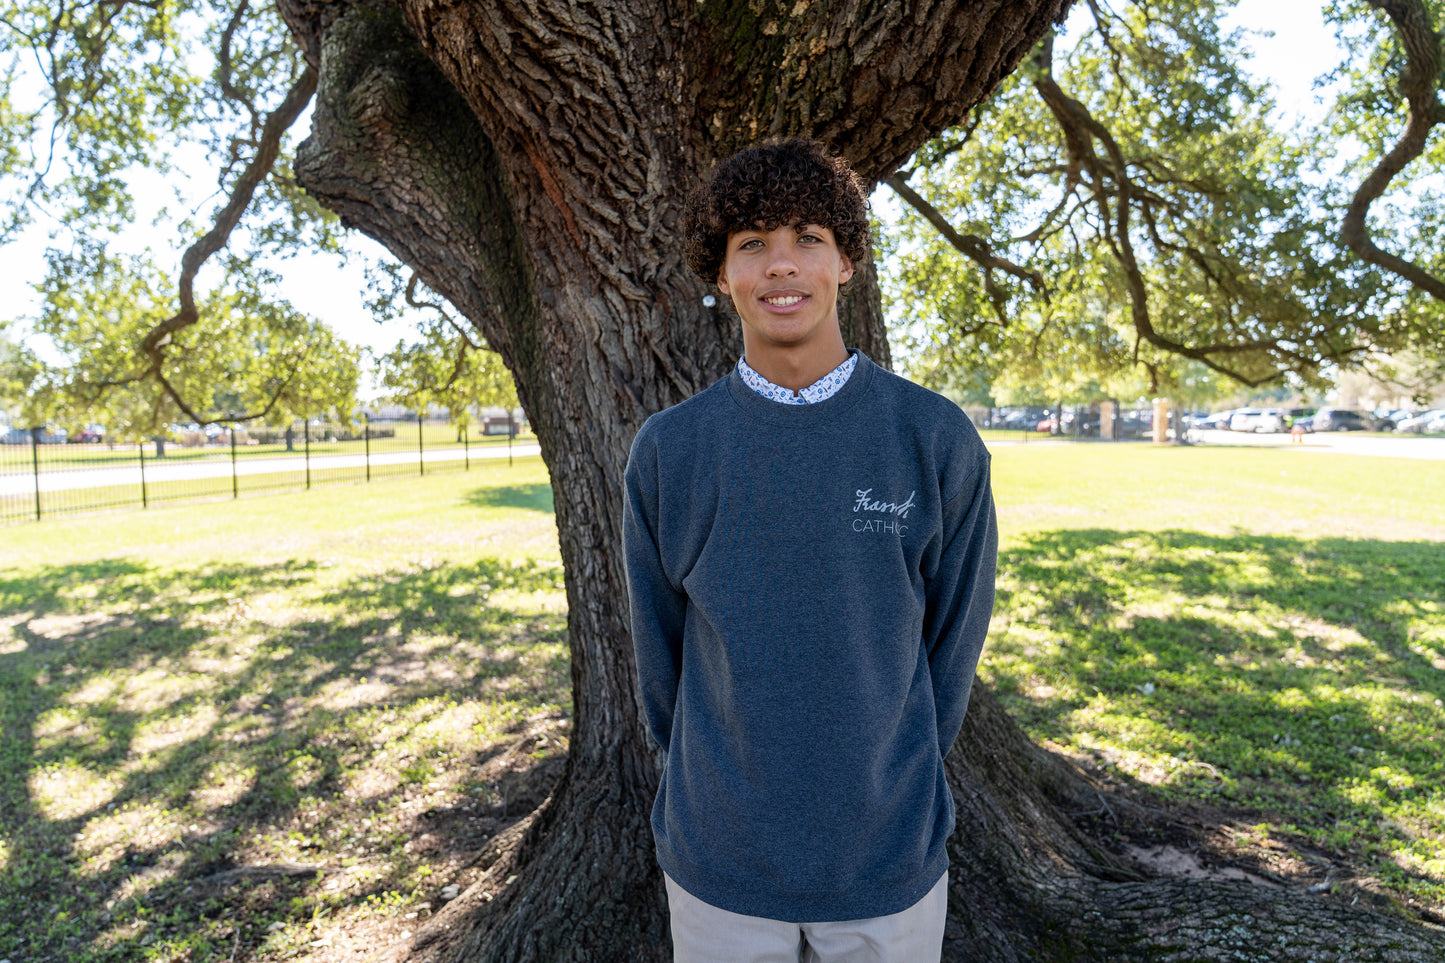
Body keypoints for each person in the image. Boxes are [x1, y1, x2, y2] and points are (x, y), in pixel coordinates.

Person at [622, 139, 998, 963]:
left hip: (885, 856)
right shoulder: (670, 451)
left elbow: (952, 645)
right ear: (721, 274)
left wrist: (889, 777)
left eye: (808, 237)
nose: (781, 264)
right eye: (752, 242)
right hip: (721, 859)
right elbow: (660, 663)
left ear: (847, 261)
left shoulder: (932, 438)